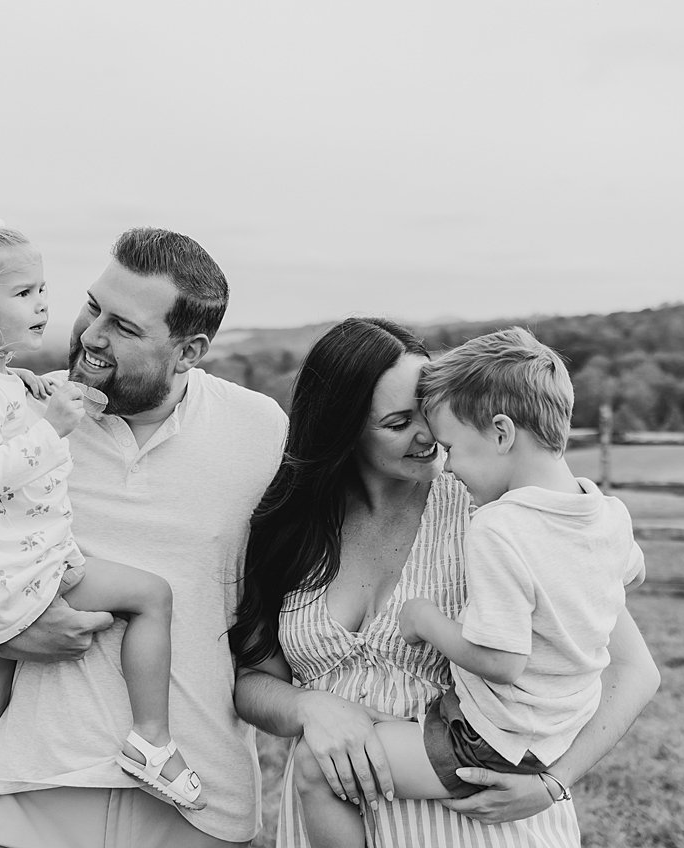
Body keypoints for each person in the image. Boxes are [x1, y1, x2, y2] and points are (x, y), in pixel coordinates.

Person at [0, 226, 288, 848]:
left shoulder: (260, 432)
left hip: (198, 802)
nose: (91, 334)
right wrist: (10, 633)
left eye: (124, 326)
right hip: (21, 788)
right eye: (93, 306)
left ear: (190, 350)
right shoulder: (15, 413)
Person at [230, 317, 660, 848]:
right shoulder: (290, 527)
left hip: (481, 826)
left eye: (431, 409)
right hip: (331, 821)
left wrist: (555, 781)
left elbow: (633, 669)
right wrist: (308, 706)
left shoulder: (499, 511)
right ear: (343, 430)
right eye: (398, 421)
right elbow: (252, 683)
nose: (429, 434)